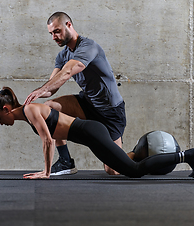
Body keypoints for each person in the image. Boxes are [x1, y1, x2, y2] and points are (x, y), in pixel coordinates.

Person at [0, 87, 194, 179]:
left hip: (92, 132)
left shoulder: (30, 109)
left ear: (6, 110)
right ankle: (187, 156)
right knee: (128, 169)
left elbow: (47, 141)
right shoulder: (28, 113)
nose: (0, 123)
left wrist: (45, 172)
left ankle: (188, 155)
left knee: (134, 171)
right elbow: (55, 134)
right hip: (91, 136)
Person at [24, 12, 126, 176]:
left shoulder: (88, 47)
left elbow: (67, 72)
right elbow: (52, 87)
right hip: (87, 104)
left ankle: (141, 155)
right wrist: (30, 102)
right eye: (51, 33)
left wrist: (42, 89)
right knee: (49, 108)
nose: (54, 37)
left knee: (113, 169)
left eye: (57, 31)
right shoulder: (63, 55)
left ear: (69, 25)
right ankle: (65, 161)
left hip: (110, 111)